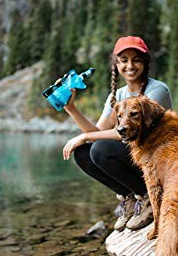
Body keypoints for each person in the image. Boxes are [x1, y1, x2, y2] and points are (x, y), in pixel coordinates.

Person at [62, 35, 172, 232]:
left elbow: (134, 133)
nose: (130, 65)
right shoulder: (117, 95)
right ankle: (130, 198)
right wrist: (71, 109)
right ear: (117, 64)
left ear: (145, 63)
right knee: (83, 153)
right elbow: (98, 132)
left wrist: (85, 137)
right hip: (137, 159)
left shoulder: (157, 90)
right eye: (124, 60)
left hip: (156, 162)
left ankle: (147, 196)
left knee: (100, 148)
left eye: (136, 59)